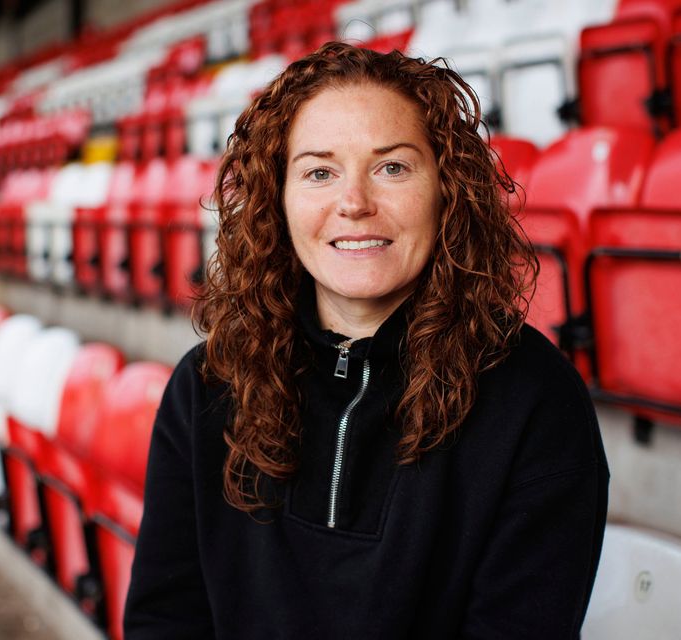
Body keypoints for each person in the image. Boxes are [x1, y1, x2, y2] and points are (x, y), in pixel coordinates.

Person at [124, 42, 609, 639]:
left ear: (447, 189)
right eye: (320, 172)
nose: (353, 203)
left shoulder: (536, 401)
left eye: (392, 167)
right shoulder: (208, 384)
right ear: (278, 200)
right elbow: (165, 620)